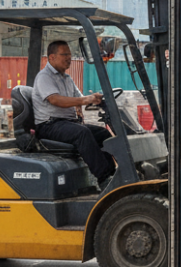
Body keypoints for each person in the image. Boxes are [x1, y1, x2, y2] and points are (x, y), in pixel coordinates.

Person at [32, 41, 117, 188]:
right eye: (64, 54)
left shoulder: (67, 78)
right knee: (82, 133)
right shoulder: (44, 77)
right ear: (52, 57)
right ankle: (104, 179)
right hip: (49, 125)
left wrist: (95, 99)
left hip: (65, 123)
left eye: (70, 55)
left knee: (103, 133)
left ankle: (113, 174)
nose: (69, 58)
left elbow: (78, 98)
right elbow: (55, 99)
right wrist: (84, 100)